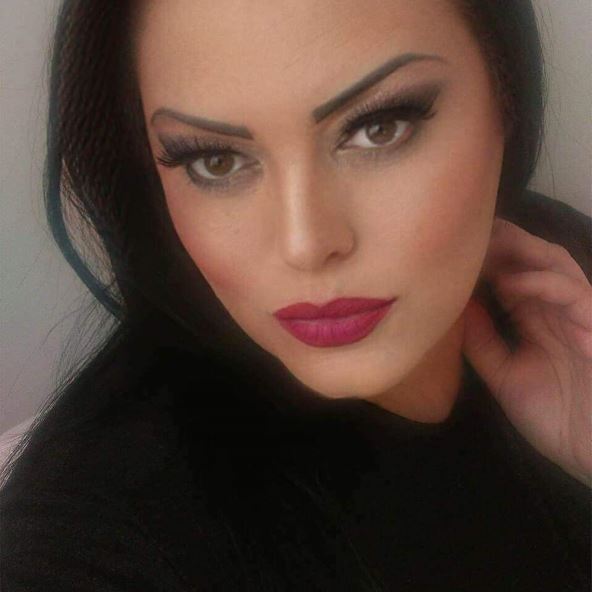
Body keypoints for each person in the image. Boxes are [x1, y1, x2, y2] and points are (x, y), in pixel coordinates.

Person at [1, 0, 590, 590]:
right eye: (215, 160)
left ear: (505, 100)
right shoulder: (97, 529)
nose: (304, 244)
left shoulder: (563, 272)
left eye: (378, 128)